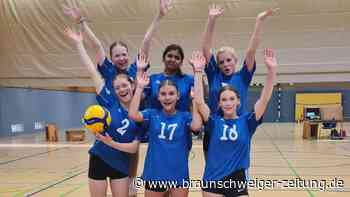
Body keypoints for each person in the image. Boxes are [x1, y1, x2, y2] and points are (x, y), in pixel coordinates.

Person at [64, 27, 144, 197]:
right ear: (113, 90)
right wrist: (79, 44)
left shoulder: (139, 114)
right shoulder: (108, 101)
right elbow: (92, 71)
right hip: (99, 158)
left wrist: (133, 179)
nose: (122, 89)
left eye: (125, 86)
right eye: (117, 87)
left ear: (133, 85)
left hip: (121, 164)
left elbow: (134, 148)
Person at [193, 48, 278, 197]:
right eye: (224, 100)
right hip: (213, 181)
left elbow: (264, 99)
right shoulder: (213, 122)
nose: (228, 103)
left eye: (231, 99)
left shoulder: (247, 122)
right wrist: (198, 71)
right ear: (218, 103)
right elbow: (199, 102)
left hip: (237, 180)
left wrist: (271, 71)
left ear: (238, 101)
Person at [201, 4, 278, 158]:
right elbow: (205, 47)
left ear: (235, 60)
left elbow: (251, 51)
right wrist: (211, 20)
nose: (225, 64)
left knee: (237, 172)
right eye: (221, 62)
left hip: (238, 130)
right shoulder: (214, 74)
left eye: (228, 60)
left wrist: (259, 21)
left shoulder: (242, 76)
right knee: (213, 173)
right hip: (214, 129)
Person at [127, 51, 204, 196]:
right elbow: (132, 114)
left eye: (171, 94)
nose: (167, 97)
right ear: (158, 96)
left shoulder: (185, 117)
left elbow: (197, 126)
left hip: (178, 175)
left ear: (178, 96)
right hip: (155, 173)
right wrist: (139, 87)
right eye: (163, 94)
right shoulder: (152, 114)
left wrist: (194, 100)